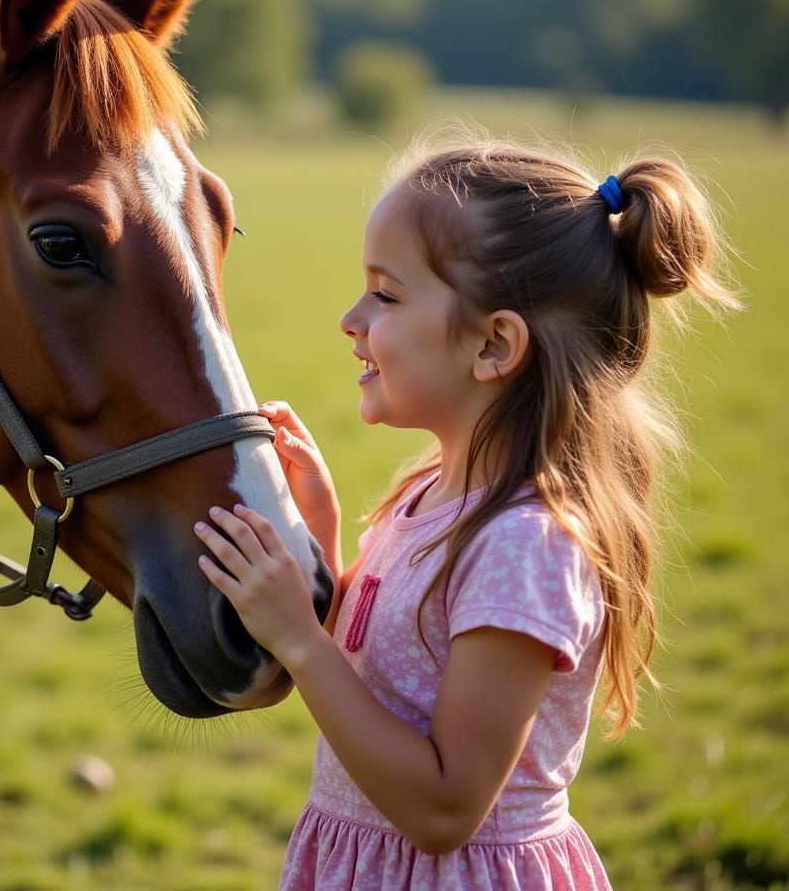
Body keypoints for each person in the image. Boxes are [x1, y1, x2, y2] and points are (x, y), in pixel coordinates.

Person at [193, 136, 740, 890]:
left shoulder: (525, 546)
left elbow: (446, 809)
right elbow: (381, 672)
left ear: (494, 344)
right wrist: (317, 530)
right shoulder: (431, 498)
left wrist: (298, 641)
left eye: (385, 294)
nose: (351, 319)